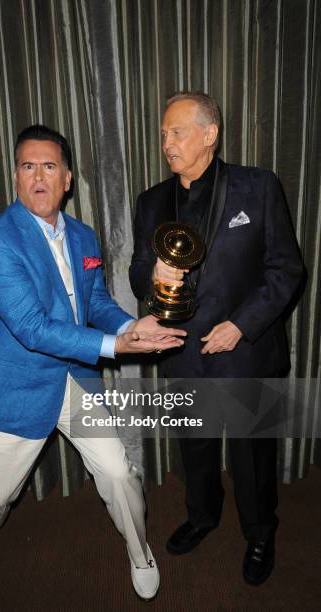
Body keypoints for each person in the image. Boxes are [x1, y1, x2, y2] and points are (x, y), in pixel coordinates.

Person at [0, 124, 186, 601]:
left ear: (66, 179)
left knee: (118, 472)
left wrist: (130, 326)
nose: (38, 176)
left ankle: (138, 548)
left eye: (49, 166)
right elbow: (32, 327)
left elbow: (95, 303)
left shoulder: (84, 236)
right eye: (28, 166)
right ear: (16, 177)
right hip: (17, 384)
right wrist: (115, 347)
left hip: (74, 380)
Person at [129, 92, 303, 586]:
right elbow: (139, 270)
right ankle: (203, 515)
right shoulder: (151, 200)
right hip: (182, 352)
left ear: (210, 134)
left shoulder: (258, 187)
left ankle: (260, 533)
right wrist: (154, 279)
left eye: (177, 131)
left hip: (246, 351)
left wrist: (242, 325)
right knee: (195, 446)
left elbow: (286, 269)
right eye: (163, 133)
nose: (167, 142)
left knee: (252, 455)